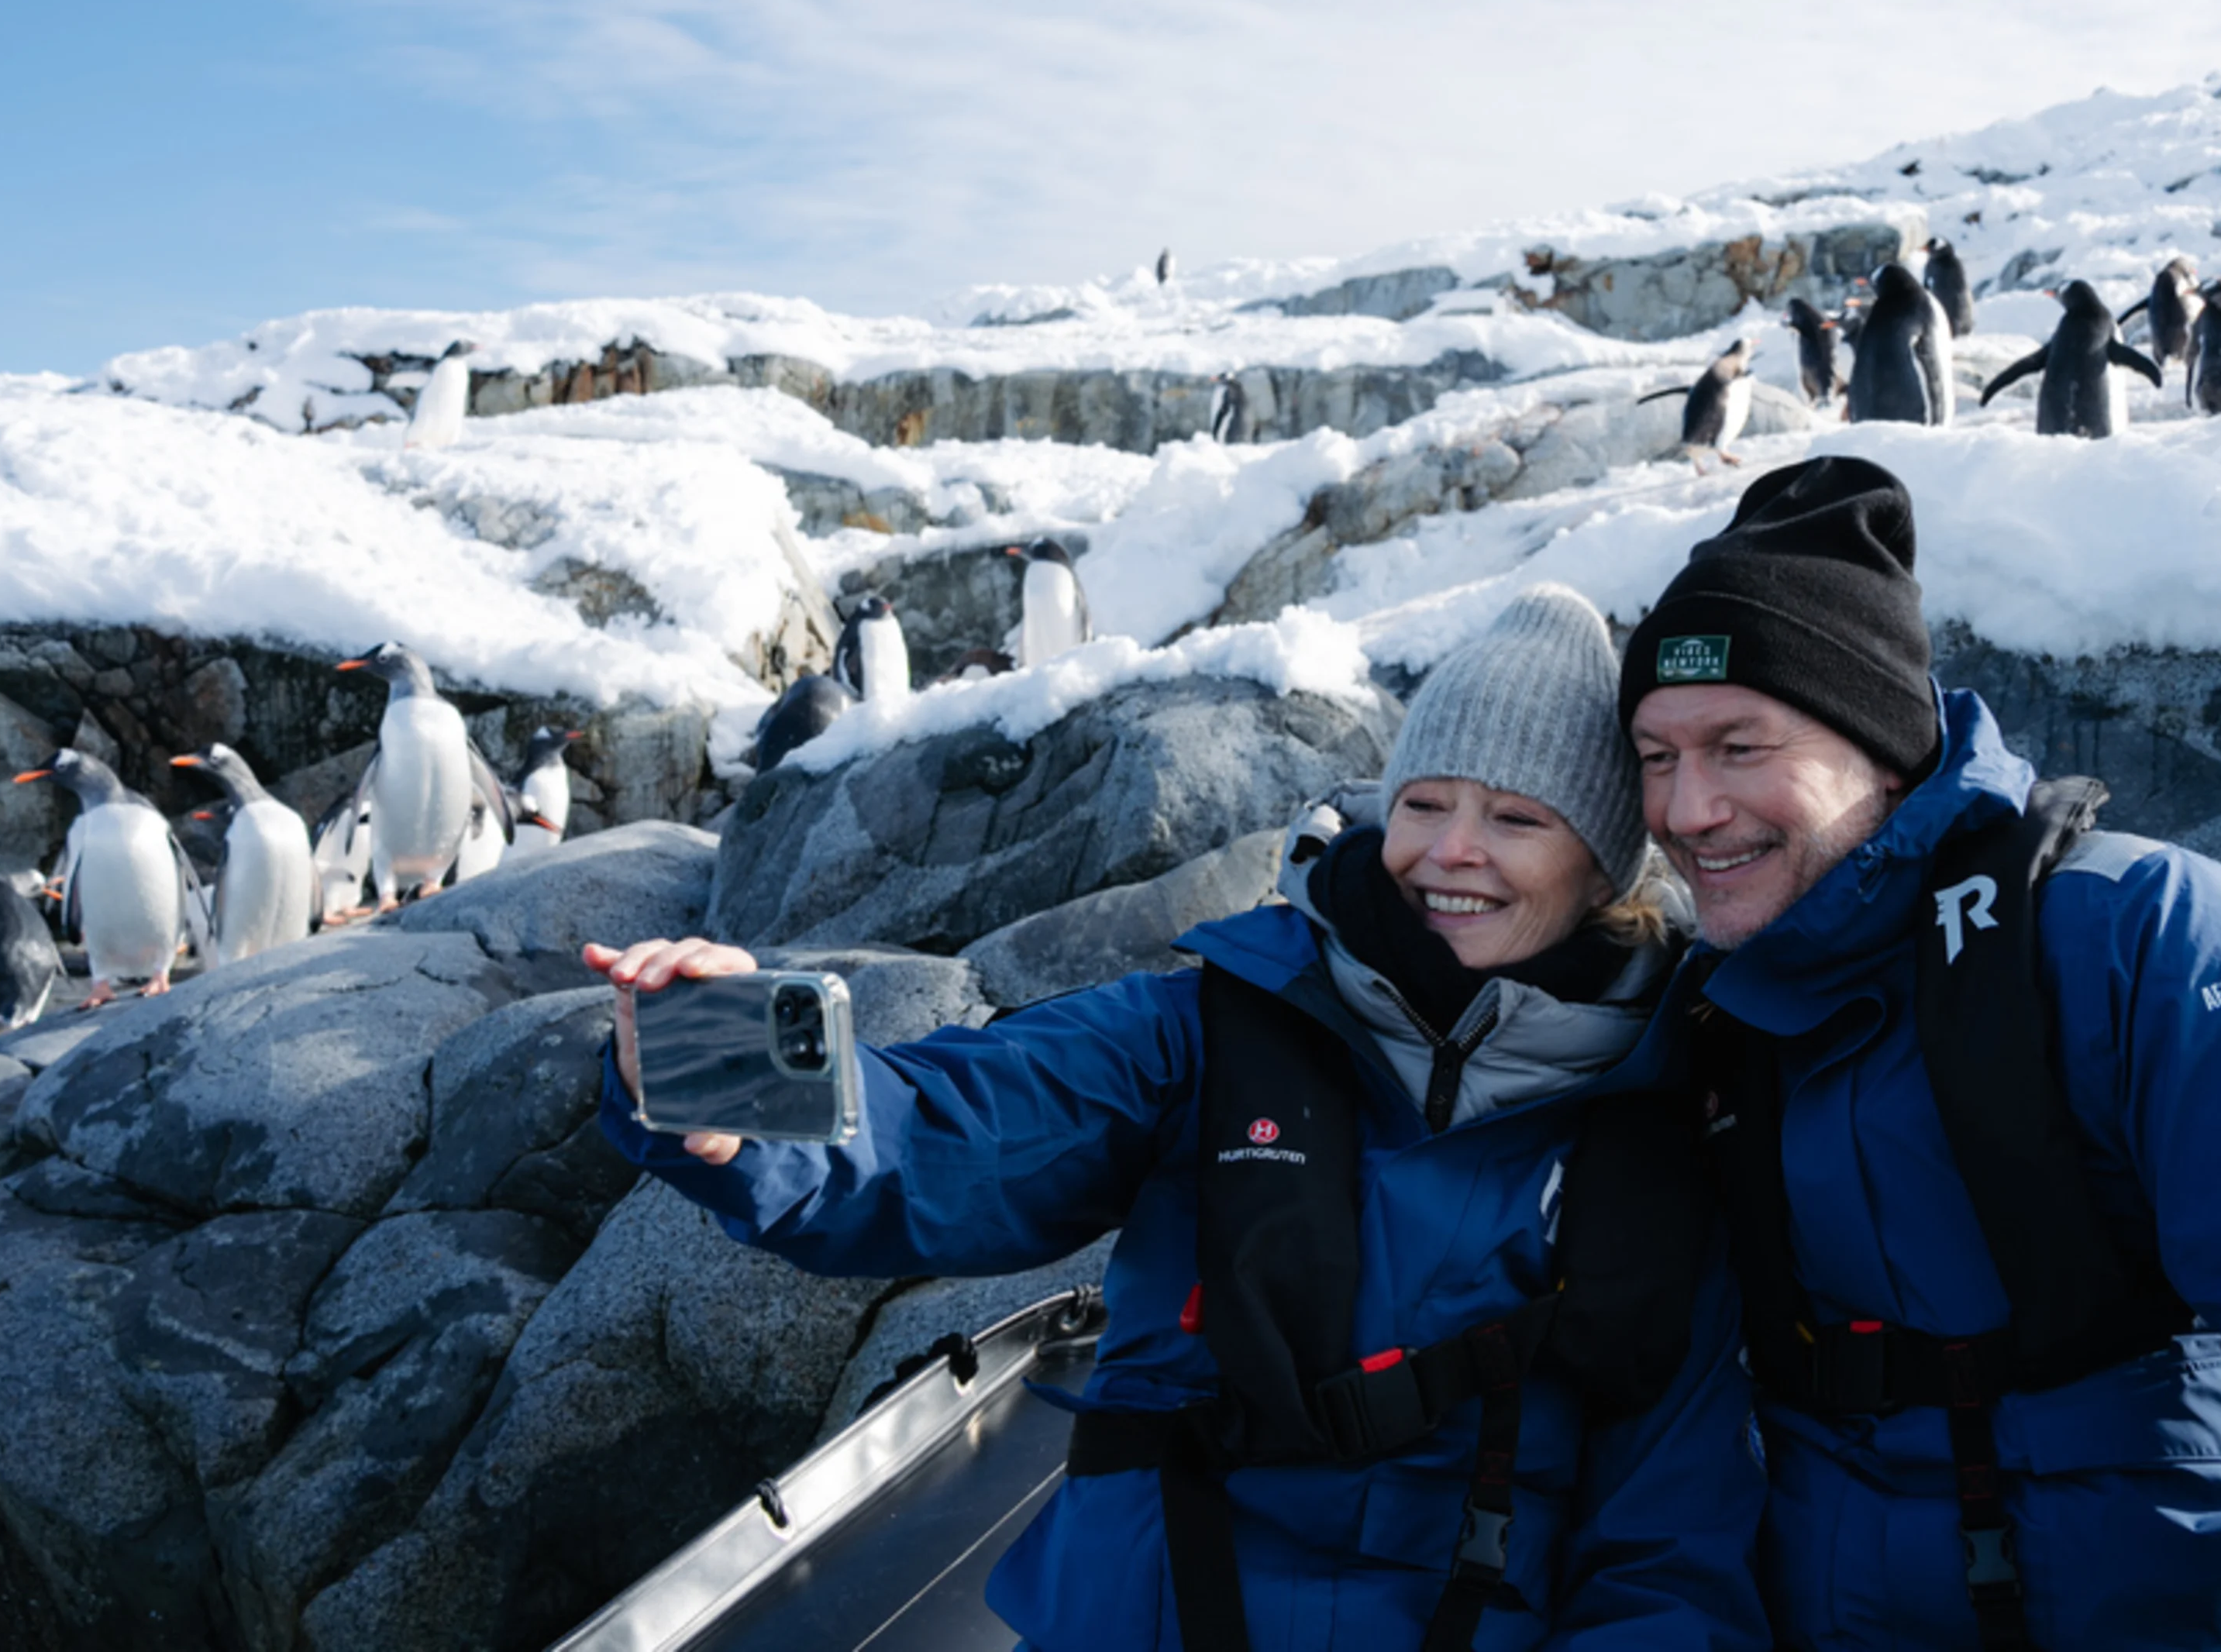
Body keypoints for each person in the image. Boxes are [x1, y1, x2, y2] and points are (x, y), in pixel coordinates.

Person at [591, 583, 1768, 1652]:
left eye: (1517, 820)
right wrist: (752, 1105)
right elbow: (956, 1129)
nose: (1449, 852)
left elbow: (1669, 1548)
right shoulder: (1213, 1032)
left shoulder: (1654, 1134)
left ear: (1605, 869)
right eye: (1423, 803)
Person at [1616, 456, 2221, 1651]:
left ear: (1878, 739)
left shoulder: (2140, 938)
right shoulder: (1716, 1007)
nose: (1688, 809)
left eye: (1740, 747)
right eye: (1656, 759)